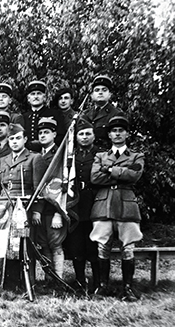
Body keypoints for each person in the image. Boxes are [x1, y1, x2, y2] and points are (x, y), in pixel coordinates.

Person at [89, 116, 144, 301]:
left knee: (128, 247)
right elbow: (95, 178)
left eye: (121, 130)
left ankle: (127, 287)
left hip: (126, 204)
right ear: (109, 134)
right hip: (104, 204)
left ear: (127, 133)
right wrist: (122, 172)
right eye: (114, 131)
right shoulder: (100, 156)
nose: (118, 133)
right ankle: (103, 286)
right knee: (102, 245)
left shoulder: (137, 155)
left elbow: (135, 175)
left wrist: (110, 170)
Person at [0, 123, 46, 289]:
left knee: (26, 245)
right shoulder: (3, 160)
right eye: (11, 139)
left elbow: (39, 188)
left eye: (18, 138)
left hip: (26, 207)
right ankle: (10, 282)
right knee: (8, 244)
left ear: (25, 139)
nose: (14, 142)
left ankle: (28, 283)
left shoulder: (34, 158)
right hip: (6, 207)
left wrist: (37, 211)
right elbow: (1, 186)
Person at [63, 119, 99, 293]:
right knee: (77, 244)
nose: (84, 137)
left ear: (94, 136)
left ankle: (98, 283)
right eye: (81, 134)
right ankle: (79, 281)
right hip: (76, 202)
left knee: (94, 243)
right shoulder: (71, 155)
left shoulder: (100, 154)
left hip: (95, 201)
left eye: (88, 134)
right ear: (75, 137)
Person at [35, 117, 67, 279]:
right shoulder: (36, 155)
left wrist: (58, 212)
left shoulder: (60, 155)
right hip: (40, 207)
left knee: (55, 243)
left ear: (54, 134)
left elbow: (63, 186)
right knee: (43, 243)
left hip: (54, 207)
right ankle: (49, 279)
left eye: (46, 132)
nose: (42, 136)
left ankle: (59, 279)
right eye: (40, 133)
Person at [80, 75, 123, 150]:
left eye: (104, 90)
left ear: (109, 95)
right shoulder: (85, 114)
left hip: (105, 156)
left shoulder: (116, 114)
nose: (100, 92)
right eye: (97, 90)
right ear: (92, 96)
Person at [22, 80, 65, 152]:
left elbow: (61, 135)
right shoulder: (24, 116)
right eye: (33, 94)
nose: (36, 97)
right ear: (28, 98)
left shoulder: (55, 114)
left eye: (39, 94)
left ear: (44, 97)